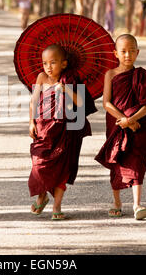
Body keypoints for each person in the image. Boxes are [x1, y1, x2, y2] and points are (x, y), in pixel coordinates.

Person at [94, 34, 146, 220]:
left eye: (132, 51)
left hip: (140, 124)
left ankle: (137, 204)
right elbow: (106, 103)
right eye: (123, 51)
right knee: (117, 160)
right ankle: (117, 202)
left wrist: (132, 120)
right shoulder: (110, 74)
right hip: (116, 123)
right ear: (115, 53)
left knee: (137, 162)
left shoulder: (142, 76)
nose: (128, 55)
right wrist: (124, 120)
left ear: (137, 52)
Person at [28, 44, 97, 220]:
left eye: (53, 62)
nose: (48, 67)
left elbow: (80, 102)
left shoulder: (71, 79)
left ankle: (57, 206)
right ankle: (42, 195)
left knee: (63, 168)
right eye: (45, 63)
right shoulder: (42, 78)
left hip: (67, 130)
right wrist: (31, 122)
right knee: (39, 163)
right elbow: (34, 102)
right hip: (44, 129)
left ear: (64, 64)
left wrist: (65, 88)